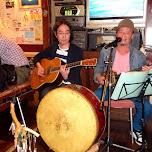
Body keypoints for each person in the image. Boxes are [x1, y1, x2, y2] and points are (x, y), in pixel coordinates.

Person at [93, 18, 152, 146]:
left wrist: (146, 71)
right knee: (91, 99)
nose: (123, 35)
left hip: (130, 90)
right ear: (117, 34)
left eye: (127, 33)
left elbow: (141, 76)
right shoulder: (107, 51)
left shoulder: (139, 55)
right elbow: (98, 68)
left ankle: (136, 129)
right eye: (121, 32)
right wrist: (98, 77)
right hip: (108, 87)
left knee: (147, 107)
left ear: (132, 36)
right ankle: (93, 130)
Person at [33, 19, 83, 100]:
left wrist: (65, 77)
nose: (64, 36)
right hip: (54, 84)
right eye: (60, 33)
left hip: (70, 84)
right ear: (56, 35)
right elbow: (36, 58)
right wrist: (39, 66)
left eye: (67, 33)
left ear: (70, 34)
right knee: (44, 94)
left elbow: (75, 75)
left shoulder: (77, 51)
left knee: (62, 97)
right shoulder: (52, 49)